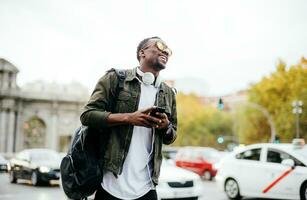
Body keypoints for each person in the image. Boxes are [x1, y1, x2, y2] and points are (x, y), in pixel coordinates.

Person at [80, 36, 177, 200]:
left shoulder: (168, 92)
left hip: (147, 187)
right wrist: (129, 118)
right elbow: (87, 115)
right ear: (142, 53)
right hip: (110, 184)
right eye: (160, 45)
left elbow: (172, 135)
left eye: (168, 50)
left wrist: (165, 126)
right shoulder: (115, 79)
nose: (165, 51)